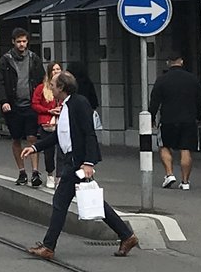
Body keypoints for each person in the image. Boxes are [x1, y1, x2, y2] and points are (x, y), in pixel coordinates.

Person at [22, 71, 138, 260]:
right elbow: (59, 136)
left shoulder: (79, 103)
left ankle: (49, 246)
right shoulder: (65, 106)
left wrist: (88, 162)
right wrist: (35, 147)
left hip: (77, 162)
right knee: (93, 200)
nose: (50, 87)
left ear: (62, 87)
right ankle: (127, 236)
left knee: (60, 202)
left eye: (53, 84)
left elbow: (89, 133)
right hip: (72, 160)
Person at [0, 28, 45, 187]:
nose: (22, 44)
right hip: (13, 105)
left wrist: (41, 100)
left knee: (32, 137)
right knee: (16, 138)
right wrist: (4, 100)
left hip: (31, 105)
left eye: (24, 41)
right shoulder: (5, 60)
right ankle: (22, 171)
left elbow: (41, 81)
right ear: (13, 42)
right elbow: (0, 82)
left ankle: (36, 172)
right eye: (19, 42)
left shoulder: (34, 58)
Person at [149, 52, 201, 191]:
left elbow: (154, 101)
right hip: (188, 119)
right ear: (182, 61)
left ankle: (169, 174)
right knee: (186, 149)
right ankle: (185, 181)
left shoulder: (162, 80)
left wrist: (151, 117)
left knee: (164, 146)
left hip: (168, 119)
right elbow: (200, 101)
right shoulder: (192, 79)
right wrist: (199, 117)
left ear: (168, 62)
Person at [31, 61, 64, 189]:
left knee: (62, 152)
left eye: (58, 69)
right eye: (54, 69)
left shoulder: (64, 87)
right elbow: (35, 104)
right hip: (47, 123)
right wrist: (48, 111)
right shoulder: (41, 88)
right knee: (48, 152)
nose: (56, 71)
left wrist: (60, 109)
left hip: (61, 122)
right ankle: (50, 174)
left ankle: (59, 176)